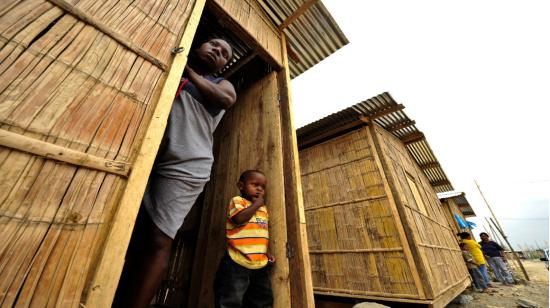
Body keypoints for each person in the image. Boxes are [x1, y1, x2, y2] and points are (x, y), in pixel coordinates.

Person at [114, 37, 236, 308]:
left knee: (159, 238)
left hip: (187, 164)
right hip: (151, 158)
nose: (218, 50)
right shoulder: (167, 67)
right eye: (214, 45)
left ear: (224, 65)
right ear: (198, 46)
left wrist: (187, 71)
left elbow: (227, 100)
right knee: (135, 233)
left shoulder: (219, 84)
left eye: (224, 53)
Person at [214, 170, 274, 308]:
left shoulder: (263, 209)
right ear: (241, 186)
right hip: (237, 261)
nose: (259, 188)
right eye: (255, 184)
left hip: (259, 264)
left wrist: (267, 251)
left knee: (263, 301)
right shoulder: (238, 201)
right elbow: (238, 219)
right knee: (230, 299)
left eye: (263, 187)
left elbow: (262, 232)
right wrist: (257, 204)